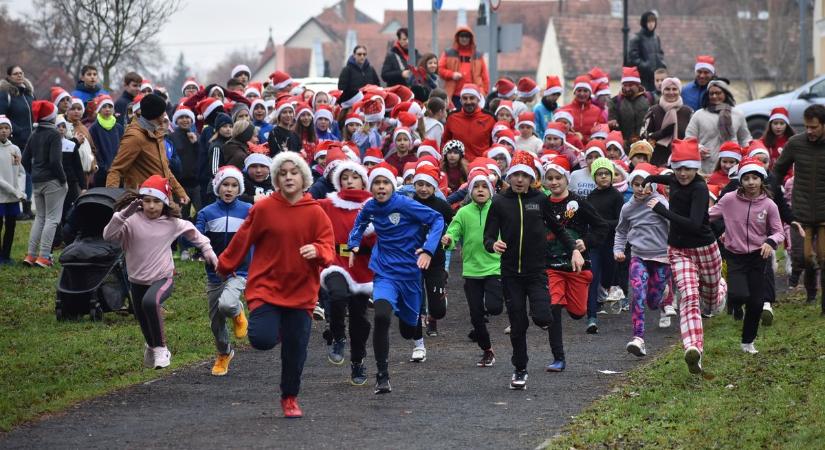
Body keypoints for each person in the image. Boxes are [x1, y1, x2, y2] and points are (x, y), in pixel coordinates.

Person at [217, 152, 335, 417]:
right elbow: (242, 238)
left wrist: (318, 251)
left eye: (294, 172)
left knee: (296, 350)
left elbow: (328, 247)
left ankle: (290, 397)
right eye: (283, 173)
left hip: (302, 291)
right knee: (261, 339)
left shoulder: (315, 212)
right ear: (276, 179)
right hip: (266, 286)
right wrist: (225, 264)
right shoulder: (263, 208)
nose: (289, 177)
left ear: (304, 177)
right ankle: (275, 326)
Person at [483, 151, 583, 390]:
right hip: (510, 274)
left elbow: (558, 229)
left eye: (524, 176)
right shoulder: (498, 202)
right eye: (515, 175)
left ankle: (543, 320)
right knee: (518, 324)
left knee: (542, 316)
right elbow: (487, 236)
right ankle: (520, 369)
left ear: (532, 178)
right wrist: (492, 244)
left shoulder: (540, 200)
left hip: (537, 271)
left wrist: (574, 251)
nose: (519, 180)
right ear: (509, 177)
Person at [347, 162, 444, 394]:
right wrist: (353, 244)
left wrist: (429, 249)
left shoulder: (406, 204)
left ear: (393, 186)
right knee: (381, 315)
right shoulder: (370, 206)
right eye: (376, 183)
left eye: (385, 183)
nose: (381, 187)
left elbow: (438, 219)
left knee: (408, 330)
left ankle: (410, 321)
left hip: (410, 275)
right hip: (385, 273)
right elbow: (359, 224)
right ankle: (382, 375)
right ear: (371, 188)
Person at [103, 175, 217, 369]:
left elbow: (192, 232)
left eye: (157, 201)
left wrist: (207, 250)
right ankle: (151, 345)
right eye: (147, 201)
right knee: (142, 316)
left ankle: (161, 349)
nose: (152, 206)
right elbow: (108, 236)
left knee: (150, 302)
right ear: (140, 201)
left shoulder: (171, 222)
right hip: (136, 280)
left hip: (163, 278)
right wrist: (122, 215)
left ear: (165, 202)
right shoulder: (130, 221)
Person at [643, 138, 725, 374]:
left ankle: (722, 288)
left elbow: (693, 224)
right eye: (679, 169)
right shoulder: (674, 178)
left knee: (709, 301)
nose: (683, 174)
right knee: (689, 296)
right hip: (678, 250)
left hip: (704, 248)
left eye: (688, 168)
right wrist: (651, 178)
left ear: (696, 167)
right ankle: (693, 349)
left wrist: (662, 211)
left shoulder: (699, 188)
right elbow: (667, 178)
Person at [709, 158, 783, 354]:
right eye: (746, 178)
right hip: (735, 255)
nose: (751, 182)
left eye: (755, 178)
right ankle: (728, 298)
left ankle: (747, 342)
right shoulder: (729, 200)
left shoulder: (769, 205)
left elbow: (778, 231)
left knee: (757, 303)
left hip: (758, 257)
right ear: (740, 181)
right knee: (739, 294)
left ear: (761, 180)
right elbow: (709, 216)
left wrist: (770, 242)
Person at [542, 156, 607, 371]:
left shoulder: (579, 202)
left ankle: (578, 308)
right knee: (553, 308)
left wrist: (586, 242)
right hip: (551, 267)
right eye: (549, 178)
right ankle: (558, 358)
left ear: (566, 179)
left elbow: (602, 227)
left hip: (578, 267)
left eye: (558, 178)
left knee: (577, 312)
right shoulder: (541, 204)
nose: (554, 182)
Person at [317, 160, 374, 384]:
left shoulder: (373, 206)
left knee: (360, 319)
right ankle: (338, 335)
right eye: (345, 178)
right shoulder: (329, 204)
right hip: (335, 261)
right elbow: (303, 204)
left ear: (363, 180)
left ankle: (358, 362)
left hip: (362, 267)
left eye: (354, 177)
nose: (349, 181)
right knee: (338, 295)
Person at [442, 168, 503, 366]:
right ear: (469, 191)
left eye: (484, 186)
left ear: (491, 190)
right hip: (471, 270)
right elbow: (454, 232)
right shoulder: (463, 212)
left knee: (494, 308)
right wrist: (448, 239)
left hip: (494, 267)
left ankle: (491, 305)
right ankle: (487, 350)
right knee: (476, 316)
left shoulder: (498, 209)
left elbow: (510, 230)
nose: (480, 190)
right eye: (475, 186)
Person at [195, 166, 252, 376]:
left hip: (240, 271)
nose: (229, 189)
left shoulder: (248, 210)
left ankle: (237, 312)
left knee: (227, 304)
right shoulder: (206, 213)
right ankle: (224, 353)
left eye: (234, 185)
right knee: (216, 321)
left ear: (239, 188)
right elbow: (195, 238)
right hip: (214, 274)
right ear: (217, 187)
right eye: (225, 185)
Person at [614, 162, 675, 357]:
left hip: (662, 258)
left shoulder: (661, 203)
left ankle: (664, 290)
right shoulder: (628, 208)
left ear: (654, 185)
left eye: (645, 184)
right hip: (638, 256)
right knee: (638, 294)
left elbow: (674, 226)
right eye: (636, 184)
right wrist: (618, 249)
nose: (641, 188)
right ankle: (638, 338)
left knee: (652, 301)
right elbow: (621, 231)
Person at [773, 104, 825, 313]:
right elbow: (778, 171)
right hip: (801, 214)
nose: (810, 131)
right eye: (807, 127)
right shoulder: (795, 143)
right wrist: (768, 189)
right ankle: (811, 291)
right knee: (804, 258)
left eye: (814, 127)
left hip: (824, 214)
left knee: (824, 258)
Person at [106, 94, 190, 205]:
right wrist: (111, 200)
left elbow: (165, 169)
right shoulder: (135, 137)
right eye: (163, 112)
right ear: (156, 115)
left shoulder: (157, 133)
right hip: (143, 203)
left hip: (162, 199)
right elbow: (116, 170)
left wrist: (180, 192)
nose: (165, 114)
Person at [410, 165, 453, 350]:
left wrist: (448, 238)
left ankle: (434, 316)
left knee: (438, 309)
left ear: (434, 187)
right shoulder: (409, 204)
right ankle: (420, 324)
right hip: (414, 260)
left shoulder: (442, 206)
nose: (423, 189)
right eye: (420, 184)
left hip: (436, 260)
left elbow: (452, 228)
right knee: (416, 297)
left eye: (428, 185)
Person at [21, 101, 66, 267]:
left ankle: (31, 255)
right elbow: (55, 161)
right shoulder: (54, 134)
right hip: (53, 181)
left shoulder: (35, 133)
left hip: (37, 181)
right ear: (52, 116)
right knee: (52, 219)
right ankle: (45, 256)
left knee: (40, 218)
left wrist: (34, 173)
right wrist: (63, 180)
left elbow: (25, 159)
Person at [585, 157, 624, 333]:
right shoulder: (591, 197)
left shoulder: (616, 196)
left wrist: (602, 223)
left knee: (607, 277)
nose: (603, 177)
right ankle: (591, 317)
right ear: (594, 177)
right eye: (599, 174)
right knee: (591, 279)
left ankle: (604, 294)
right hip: (594, 244)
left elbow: (621, 221)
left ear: (611, 176)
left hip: (611, 243)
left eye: (606, 174)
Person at [685, 79, 752, 174]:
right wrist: (697, 148)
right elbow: (688, 139)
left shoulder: (737, 114)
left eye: (718, 93)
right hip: (705, 168)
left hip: (732, 168)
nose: (714, 96)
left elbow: (745, 139)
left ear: (725, 94)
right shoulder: (699, 115)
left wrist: (747, 154)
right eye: (711, 94)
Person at [0, 66, 35, 219]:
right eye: (16, 74)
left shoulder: (28, 93)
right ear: (9, 76)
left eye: (21, 73)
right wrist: (17, 131)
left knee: (28, 173)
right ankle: (16, 207)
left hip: (29, 141)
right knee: (15, 174)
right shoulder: (6, 94)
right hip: (14, 141)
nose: (19, 75)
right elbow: (2, 116)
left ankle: (27, 206)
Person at [642, 77, 693, 166]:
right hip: (657, 161)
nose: (671, 92)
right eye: (667, 89)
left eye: (674, 89)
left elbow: (693, 137)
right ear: (662, 91)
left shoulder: (688, 112)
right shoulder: (653, 111)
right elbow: (643, 136)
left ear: (679, 91)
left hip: (682, 162)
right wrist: (662, 133)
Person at [438, 27, 489, 109]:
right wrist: (452, 74)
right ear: (457, 37)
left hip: (474, 96)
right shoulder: (449, 53)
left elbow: (485, 77)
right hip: (454, 96)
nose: (464, 39)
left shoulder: (478, 55)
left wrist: (484, 93)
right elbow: (439, 69)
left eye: (467, 36)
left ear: (470, 38)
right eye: (462, 36)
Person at [442, 84, 495, 162]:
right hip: (458, 166)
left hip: (481, 166)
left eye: (472, 98)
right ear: (460, 100)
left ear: (478, 99)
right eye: (465, 98)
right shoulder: (452, 117)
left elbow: (494, 144)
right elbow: (445, 141)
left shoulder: (490, 118)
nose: (468, 102)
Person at [0, 115, 25, 264]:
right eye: (1, 128)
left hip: (13, 197)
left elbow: (20, 171)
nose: (3, 131)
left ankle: (6, 255)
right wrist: (13, 190)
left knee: (11, 225)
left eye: (6, 128)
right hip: (2, 196)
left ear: (10, 130)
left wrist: (20, 189)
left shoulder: (14, 149)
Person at [608, 67, 654, 144]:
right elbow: (611, 122)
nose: (627, 88)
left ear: (638, 85)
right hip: (625, 146)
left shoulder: (651, 98)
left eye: (630, 85)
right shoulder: (615, 101)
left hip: (646, 145)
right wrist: (612, 123)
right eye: (625, 85)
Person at [168, 107, 201, 218]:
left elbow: (201, 157)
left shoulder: (196, 136)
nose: (185, 120)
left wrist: (196, 143)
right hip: (180, 184)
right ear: (176, 120)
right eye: (181, 117)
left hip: (196, 184)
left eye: (187, 117)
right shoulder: (171, 137)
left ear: (192, 120)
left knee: (198, 214)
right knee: (181, 216)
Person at [627, 11, 666, 93]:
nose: (651, 24)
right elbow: (633, 58)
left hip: (656, 78)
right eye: (649, 22)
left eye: (653, 21)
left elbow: (660, 54)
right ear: (644, 23)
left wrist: (662, 65)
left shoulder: (656, 37)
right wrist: (646, 66)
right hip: (643, 79)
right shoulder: (636, 38)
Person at [558, 76, 606, 142]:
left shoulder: (597, 111)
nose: (582, 93)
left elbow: (602, 135)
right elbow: (558, 134)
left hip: (592, 150)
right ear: (574, 92)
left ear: (590, 93)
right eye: (579, 90)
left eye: (585, 91)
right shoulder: (563, 111)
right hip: (570, 149)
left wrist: (584, 138)